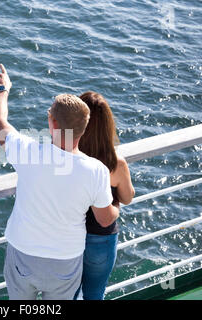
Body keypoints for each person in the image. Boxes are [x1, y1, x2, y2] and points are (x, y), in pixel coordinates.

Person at [0, 64, 120, 300]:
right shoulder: (96, 171)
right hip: (65, 261)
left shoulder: (27, 151)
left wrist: (3, 88)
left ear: (52, 123)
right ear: (85, 127)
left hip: (23, 253)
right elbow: (104, 218)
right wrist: (116, 209)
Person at [74, 91, 135, 300]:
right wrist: (115, 203)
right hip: (101, 238)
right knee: (94, 293)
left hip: (69, 235)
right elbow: (127, 198)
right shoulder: (116, 163)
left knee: (67, 294)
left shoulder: (68, 157)